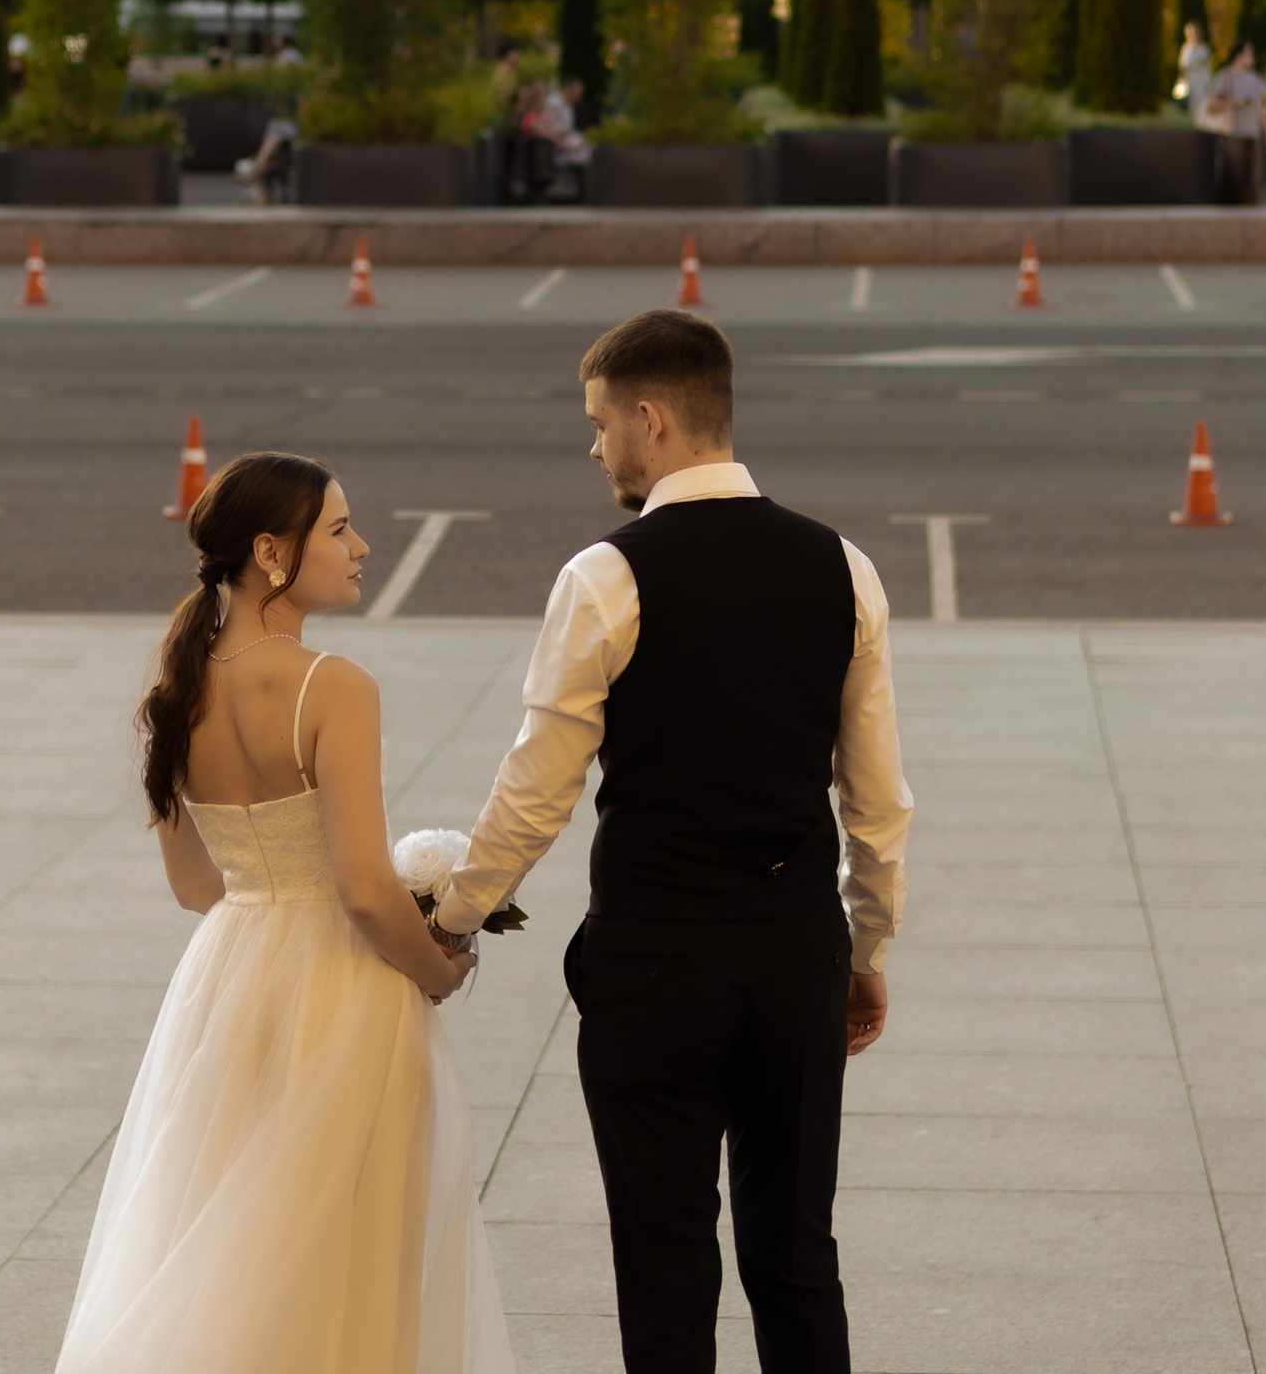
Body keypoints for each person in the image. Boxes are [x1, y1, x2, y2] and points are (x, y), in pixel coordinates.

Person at [429, 310, 910, 1374]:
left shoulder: (605, 575)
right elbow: (877, 802)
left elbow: (538, 788)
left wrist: (454, 917)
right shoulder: (843, 567)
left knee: (664, 1265)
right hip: (795, 949)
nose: (594, 447)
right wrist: (866, 948)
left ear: (650, 419)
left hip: (656, 956)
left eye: (599, 423)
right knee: (797, 1256)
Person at [55, 453, 508, 1373]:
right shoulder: (331, 684)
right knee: (346, 1244)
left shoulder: (179, 686)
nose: (362, 546)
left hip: (230, 981)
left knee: (233, 1232)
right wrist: (439, 967)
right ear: (270, 552)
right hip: (339, 988)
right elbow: (364, 888)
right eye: (339, 529)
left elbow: (194, 888)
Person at [1206, 39, 1266, 207]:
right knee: (1232, 179)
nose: (1253, 56)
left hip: (1252, 134)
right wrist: (1236, 103)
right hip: (1232, 134)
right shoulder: (1225, 77)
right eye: (1249, 52)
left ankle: (1251, 213)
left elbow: (1261, 107)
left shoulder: (1254, 78)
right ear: (1239, 55)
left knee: (1251, 181)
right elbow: (1212, 106)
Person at [1173, 19, 1213, 124]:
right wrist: (1180, 78)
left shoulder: (1203, 48)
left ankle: (1202, 120)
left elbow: (1207, 65)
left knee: (1200, 99)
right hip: (1189, 78)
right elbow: (1182, 65)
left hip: (1200, 78)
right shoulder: (1186, 47)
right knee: (1191, 100)